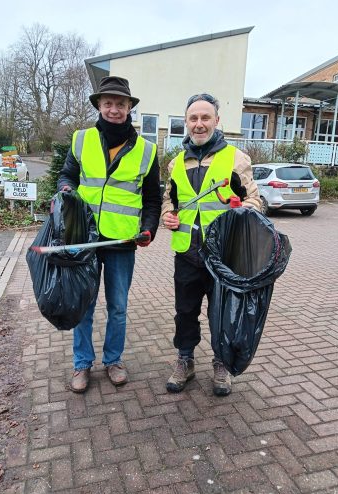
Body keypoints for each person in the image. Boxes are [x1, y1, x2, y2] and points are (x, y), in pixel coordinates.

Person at [58, 76, 161, 393]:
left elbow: (152, 199)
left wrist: (149, 229)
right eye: (108, 103)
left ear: (129, 107)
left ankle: (113, 360)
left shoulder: (146, 150)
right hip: (85, 240)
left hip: (121, 243)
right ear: (99, 106)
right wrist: (65, 189)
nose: (114, 109)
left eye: (120, 103)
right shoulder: (81, 139)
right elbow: (67, 175)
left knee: (117, 307)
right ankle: (82, 364)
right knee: (84, 306)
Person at [162, 93, 261, 396]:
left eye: (206, 117)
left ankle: (222, 363)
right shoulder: (176, 163)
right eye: (193, 118)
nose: (199, 124)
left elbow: (255, 201)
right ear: (186, 123)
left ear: (217, 121)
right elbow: (171, 200)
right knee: (185, 311)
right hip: (188, 253)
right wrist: (168, 215)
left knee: (221, 312)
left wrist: (241, 208)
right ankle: (185, 360)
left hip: (223, 256)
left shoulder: (236, 158)